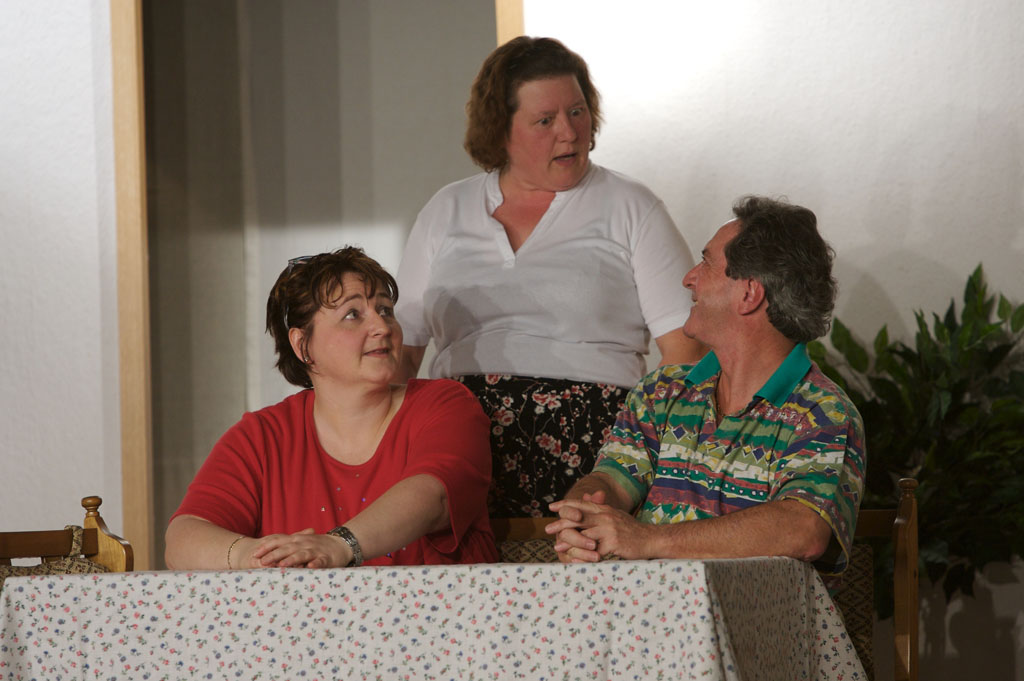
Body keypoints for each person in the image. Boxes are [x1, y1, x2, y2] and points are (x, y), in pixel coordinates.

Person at [395, 36, 704, 518]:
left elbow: (687, 352)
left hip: (595, 447)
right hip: (456, 439)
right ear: (501, 130)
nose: (570, 132)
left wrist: (636, 456)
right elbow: (401, 354)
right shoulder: (446, 209)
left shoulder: (631, 206)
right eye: (546, 120)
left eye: (577, 112)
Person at [546, 196, 865, 590]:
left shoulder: (822, 412)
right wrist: (583, 514)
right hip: (649, 617)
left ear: (749, 294)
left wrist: (648, 539)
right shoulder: (661, 392)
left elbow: (803, 529)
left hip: (758, 628)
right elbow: (612, 480)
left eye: (707, 263)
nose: (688, 278)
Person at [165, 247, 498, 570]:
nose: (382, 327)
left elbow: (433, 497)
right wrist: (252, 556)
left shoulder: (446, 404)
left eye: (385, 310)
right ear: (302, 345)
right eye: (353, 314)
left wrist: (339, 545)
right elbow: (183, 538)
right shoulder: (261, 435)